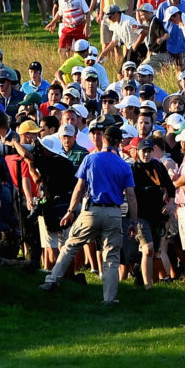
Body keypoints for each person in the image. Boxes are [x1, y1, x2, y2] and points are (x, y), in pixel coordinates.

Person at [40, 121, 137, 304]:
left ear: (104, 139)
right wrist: (133, 222)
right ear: (119, 142)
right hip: (114, 213)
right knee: (111, 257)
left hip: (91, 211)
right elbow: (131, 196)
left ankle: (52, 280)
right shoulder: (124, 166)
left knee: (71, 246)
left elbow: (79, 188)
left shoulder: (90, 159)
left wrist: (70, 211)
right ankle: (109, 298)